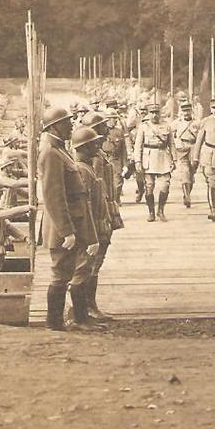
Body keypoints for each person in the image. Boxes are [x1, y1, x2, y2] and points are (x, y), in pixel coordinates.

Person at [38, 106, 94, 331]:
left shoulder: (60, 150)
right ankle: (54, 324)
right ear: (54, 127)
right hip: (62, 227)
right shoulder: (51, 153)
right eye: (66, 122)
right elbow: (54, 196)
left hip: (71, 223)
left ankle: (65, 321)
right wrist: (66, 231)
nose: (71, 125)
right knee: (61, 274)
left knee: (67, 271)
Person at [82, 112, 123, 321]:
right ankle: (87, 307)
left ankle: (89, 305)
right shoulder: (94, 159)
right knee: (94, 259)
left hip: (106, 207)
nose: (107, 130)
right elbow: (95, 190)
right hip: (100, 212)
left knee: (97, 258)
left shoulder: (99, 155)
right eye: (102, 127)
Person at [66, 126, 107, 327]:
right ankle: (78, 317)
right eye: (92, 144)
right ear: (84, 147)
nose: (96, 147)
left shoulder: (87, 167)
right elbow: (84, 205)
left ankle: (83, 314)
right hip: (86, 228)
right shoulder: (81, 169)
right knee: (81, 271)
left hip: (93, 225)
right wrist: (90, 233)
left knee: (86, 269)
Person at [134, 103, 176, 222]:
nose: (154, 115)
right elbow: (138, 145)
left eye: (156, 112)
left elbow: (171, 144)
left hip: (163, 157)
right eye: (152, 113)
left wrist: (175, 159)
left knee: (165, 186)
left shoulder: (166, 126)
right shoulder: (144, 127)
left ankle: (161, 210)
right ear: (148, 113)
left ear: (160, 113)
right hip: (148, 157)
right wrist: (138, 161)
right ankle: (151, 212)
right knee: (149, 186)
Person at [171, 101, 201, 206]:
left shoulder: (197, 123)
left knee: (191, 174)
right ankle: (187, 196)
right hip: (182, 148)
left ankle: (187, 193)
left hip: (194, 148)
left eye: (188, 110)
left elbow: (201, 138)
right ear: (181, 111)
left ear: (191, 111)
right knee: (184, 173)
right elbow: (170, 136)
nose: (186, 113)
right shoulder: (176, 123)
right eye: (184, 111)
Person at [102, 108, 129, 205]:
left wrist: (125, 164)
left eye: (116, 118)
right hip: (104, 159)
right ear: (108, 119)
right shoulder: (101, 131)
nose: (116, 120)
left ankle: (116, 199)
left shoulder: (119, 132)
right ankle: (109, 201)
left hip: (116, 159)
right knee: (105, 181)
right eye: (114, 118)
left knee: (118, 181)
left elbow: (123, 150)